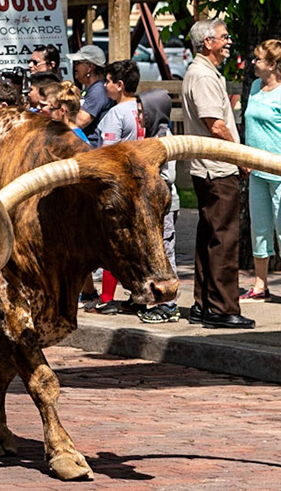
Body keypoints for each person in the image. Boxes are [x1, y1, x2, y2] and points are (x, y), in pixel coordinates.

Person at [182, 18, 253, 329]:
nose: (228, 42)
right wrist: (241, 156)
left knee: (209, 236)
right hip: (217, 168)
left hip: (206, 167)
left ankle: (203, 305)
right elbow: (216, 124)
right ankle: (223, 309)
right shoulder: (204, 77)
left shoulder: (200, 72)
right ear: (207, 42)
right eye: (224, 37)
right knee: (224, 238)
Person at [240, 38, 281, 308]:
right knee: (260, 228)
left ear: (273, 64)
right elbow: (251, 127)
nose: (253, 63)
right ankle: (260, 284)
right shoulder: (256, 87)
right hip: (259, 172)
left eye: (258, 59)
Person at [92, 59, 144, 312]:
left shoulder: (114, 114)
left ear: (120, 85)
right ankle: (137, 294)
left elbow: (107, 154)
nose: (105, 85)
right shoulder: (142, 109)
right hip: (140, 181)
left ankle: (107, 298)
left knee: (112, 242)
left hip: (119, 185)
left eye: (109, 81)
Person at [138, 84, 179, 323]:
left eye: (143, 112)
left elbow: (169, 175)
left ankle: (169, 305)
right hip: (149, 208)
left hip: (165, 207)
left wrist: (143, 176)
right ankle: (154, 299)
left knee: (167, 252)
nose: (140, 117)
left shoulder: (165, 139)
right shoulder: (149, 136)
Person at [71, 46, 110, 135]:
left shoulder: (98, 91)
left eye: (78, 63)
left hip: (93, 146)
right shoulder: (90, 89)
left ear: (90, 67)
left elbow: (81, 121)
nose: (74, 66)